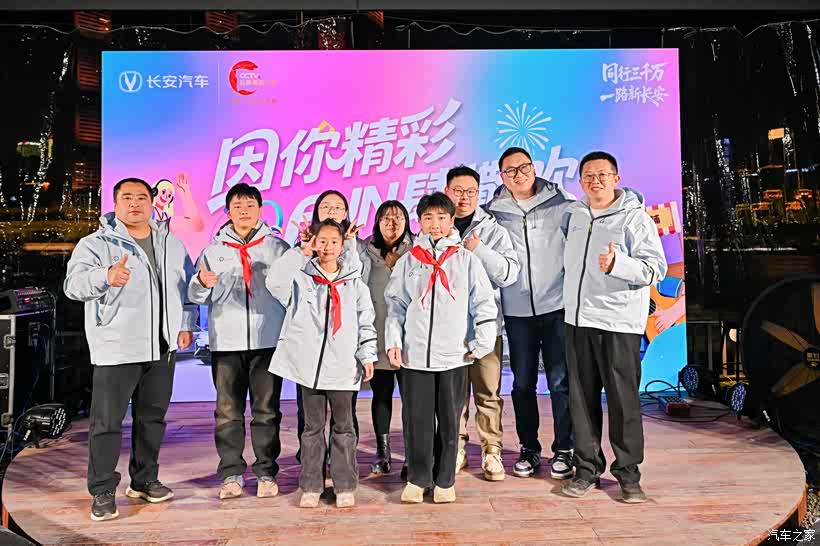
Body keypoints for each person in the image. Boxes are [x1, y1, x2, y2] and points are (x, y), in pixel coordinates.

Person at [64, 177, 198, 522]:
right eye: (127, 197)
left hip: (162, 346)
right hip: (117, 347)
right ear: (115, 203)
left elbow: (185, 288)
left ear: (152, 203)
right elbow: (73, 286)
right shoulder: (95, 244)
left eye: (141, 197)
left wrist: (186, 324)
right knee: (107, 423)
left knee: (151, 419)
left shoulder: (171, 242)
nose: (135, 203)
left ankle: (144, 480)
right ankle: (103, 490)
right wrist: (105, 276)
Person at [561, 151, 667, 503]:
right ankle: (586, 469)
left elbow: (655, 269)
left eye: (602, 175)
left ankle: (628, 474)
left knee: (623, 402)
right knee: (581, 401)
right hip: (578, 322)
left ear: (616, 178)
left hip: (618, 324)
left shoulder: (635, 218)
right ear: (580, 181)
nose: (595, 181)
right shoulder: (574, 215)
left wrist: (618, 264)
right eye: (588, 176)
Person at [385, 192, 497, 504]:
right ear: (420, 222)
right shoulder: (408, 261)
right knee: (417, 421)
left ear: (451, 221)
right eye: (428, 218)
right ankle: (418, 479)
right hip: (415, 356)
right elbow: (395, 306)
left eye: (441, 218)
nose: (435, 224)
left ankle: (445, 480)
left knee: (450, 421)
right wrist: (394, 341)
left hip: (455, 356)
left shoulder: (467, 260)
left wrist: (482, 342)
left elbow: (484, 304)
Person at [188, 183, 289, 500]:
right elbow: (196, 295)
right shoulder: (213, 250)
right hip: (226, 342)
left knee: (266, 411)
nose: (244, 210)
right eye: (237, 205)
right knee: (227, 412)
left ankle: (266, 472)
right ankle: (231, 473)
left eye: (250, 205)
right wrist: (202, 283)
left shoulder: (278, 248)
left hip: (267, 340)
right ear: (228, 211)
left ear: (260, 209)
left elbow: (293, 290)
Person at [267, 220, 377, 509]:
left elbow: (366, 321)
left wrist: (367, 355)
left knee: (344, 428)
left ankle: (344, 485)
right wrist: (300, 252)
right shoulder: (301, 279)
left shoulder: (355, 283)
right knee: (312, 429)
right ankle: (311, 485)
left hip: (343, 367)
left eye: (334, 241)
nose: (327, 247)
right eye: (322, 240)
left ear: (342, 246)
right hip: (309, 369)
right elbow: (274, 282)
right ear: (314, 242)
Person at [486, 147, 576, 480]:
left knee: (560, 381)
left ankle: (565, 449)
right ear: (501, 176)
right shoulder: (492, 212)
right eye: (510, 171)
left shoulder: (562, 204)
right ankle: (529, 448)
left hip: (556, 306)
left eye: (523, 167)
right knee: (522, 383)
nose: (518, 175)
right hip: (517, 310)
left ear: (534, 168)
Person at [442, 166, 520, 481]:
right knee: (454, 394)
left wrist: (480, 250)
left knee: (488, 393)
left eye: (471, 192)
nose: (464, 198)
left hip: (486, 327)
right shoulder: (435, 227)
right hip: (447, 330)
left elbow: (509, 274)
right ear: (447, 192)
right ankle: (456, 448)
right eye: (458, 191)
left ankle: (491, 450)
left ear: (479, 193)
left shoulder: (493, 230)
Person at [293, 189, 369, 462]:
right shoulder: (303, 243)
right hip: (310, 345)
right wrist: (303, 248)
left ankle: (343, 462)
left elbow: (357, 281)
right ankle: (311, 461)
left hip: (342, 347)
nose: (332, 211)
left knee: (344, 412)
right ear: (317, 211)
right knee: (310, 414)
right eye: (326, 206)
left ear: (346, 213)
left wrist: (350, 244)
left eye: (338, 206)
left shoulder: (355, 245)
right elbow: (286, 284)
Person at [363, 200, 414, 475]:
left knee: (411, 399)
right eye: (386, 218)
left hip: (409, 339)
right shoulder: (365, 251)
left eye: (398, 218)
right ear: (377, 223)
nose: (392, 224)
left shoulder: (416, 251)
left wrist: (397, 266)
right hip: (377, 335)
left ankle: (411, 454)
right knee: (381, 395)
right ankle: (383, 453)